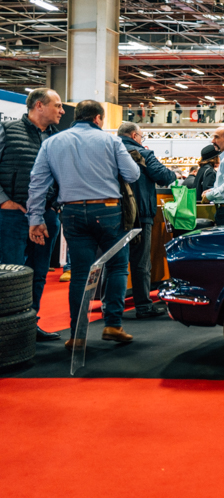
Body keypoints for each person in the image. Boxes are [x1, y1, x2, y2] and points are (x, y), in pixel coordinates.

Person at [27, 99, 141, 348]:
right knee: (117, 268)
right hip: (109, 210)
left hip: (72, 212)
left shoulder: (52, 142)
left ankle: (77, 334)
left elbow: (37, 183)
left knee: (80, 273)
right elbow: (132, 174)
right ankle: (113, 324)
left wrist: (35, 218)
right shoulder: (111, 141)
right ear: (98, 118)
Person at [0, 88, 65, 342]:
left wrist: (55, 206)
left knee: (39, 273)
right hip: (12, 217)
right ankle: (8, 333)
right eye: (57, 105)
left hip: (47, 217)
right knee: (12, 274)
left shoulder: (57, 138)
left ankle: (29, 325)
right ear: (39, 105)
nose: (62, 111)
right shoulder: (7, 130)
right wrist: (4, 202)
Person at [118, 121, 177, 319]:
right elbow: (165, 176)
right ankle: (143, 306)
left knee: (115, 262)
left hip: (112, 212)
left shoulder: (108, 150)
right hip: (140, 213)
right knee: (141, 261)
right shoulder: (143, 153)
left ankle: (111, 307)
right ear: (134, 135)